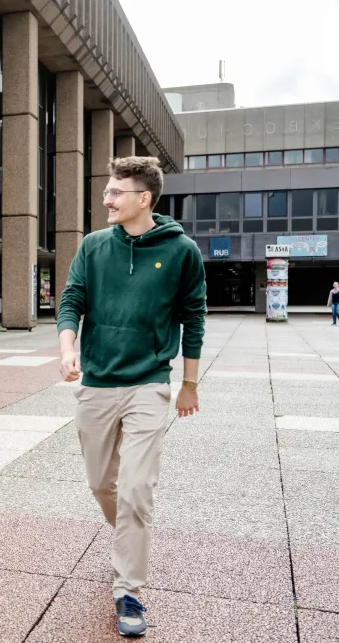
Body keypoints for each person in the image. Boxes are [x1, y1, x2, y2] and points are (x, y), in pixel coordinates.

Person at [57, 156, 207, 637]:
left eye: (115, 191)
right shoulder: (93, 246)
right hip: (98, 382)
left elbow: (194, 318)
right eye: (107, 190)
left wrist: (189, 384)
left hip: (149, 383)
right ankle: (128, 537)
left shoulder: (182, 251)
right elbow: (71, 300)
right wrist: (67, 349)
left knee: (137, 489)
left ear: (144, 198)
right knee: (103, 483)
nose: (106, 199)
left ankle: (129, 591)